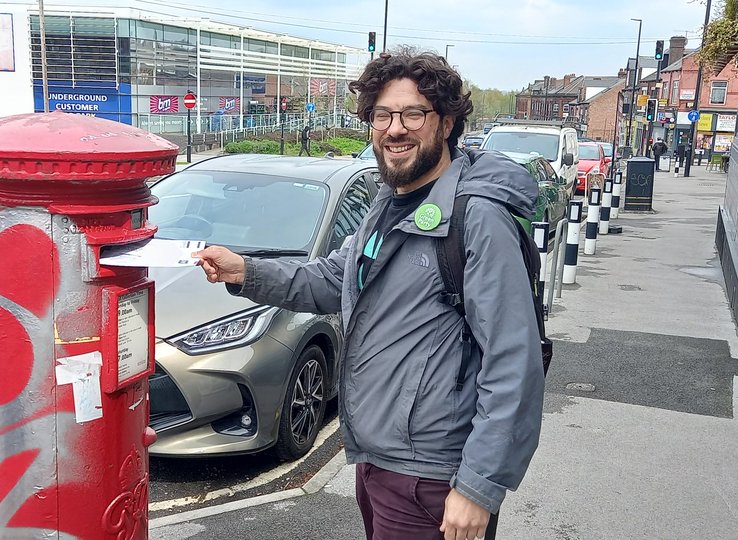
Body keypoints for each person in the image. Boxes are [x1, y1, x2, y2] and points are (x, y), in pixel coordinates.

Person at [194, 52, 544, 540]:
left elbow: (514, 364)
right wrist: (247, 272)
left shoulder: (477, 218)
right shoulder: (391, 200)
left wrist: (478, 487)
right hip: (378, 460)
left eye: (412, 114)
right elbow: (336, 280)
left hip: (432, 475)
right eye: (382, 115)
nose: (394, 129)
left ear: (445, 123)